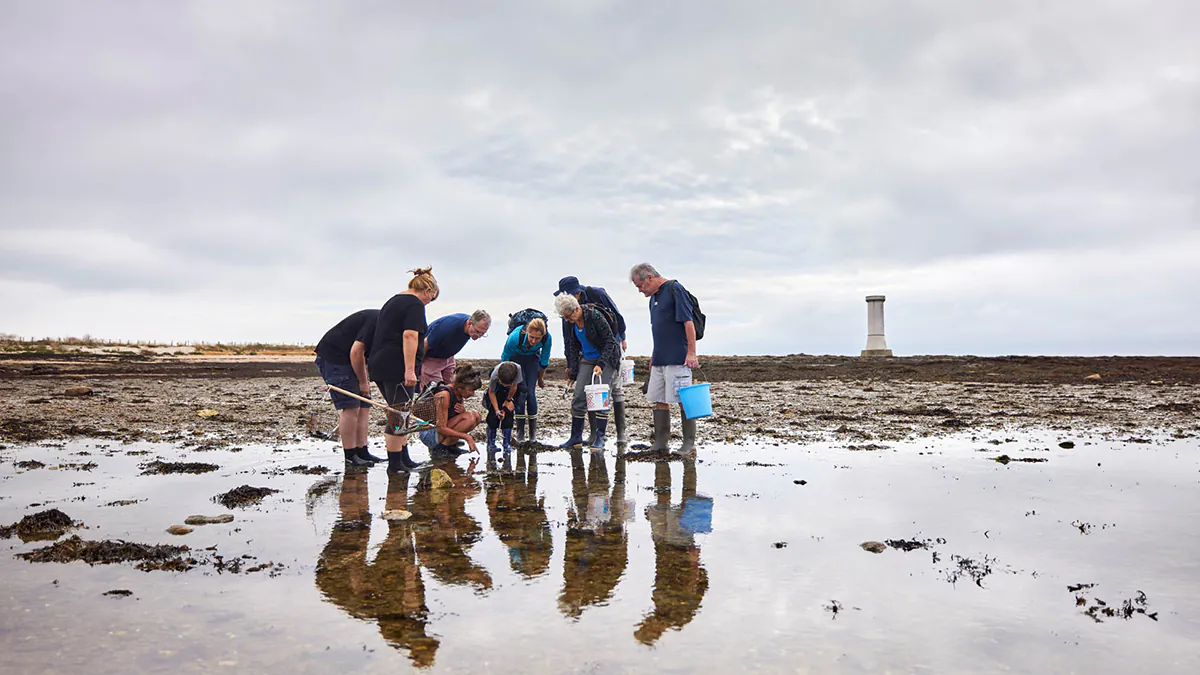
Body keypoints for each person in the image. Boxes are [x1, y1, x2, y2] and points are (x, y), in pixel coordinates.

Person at [369, 267, 439, 473]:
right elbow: (409, 336)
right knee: (398, 414)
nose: (429, 303)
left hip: (380, 363)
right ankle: (395, 465)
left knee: (401, 413)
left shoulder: (394, 300)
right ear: (427, 290)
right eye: (431, 299)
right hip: (396, 366)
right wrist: (410, 370)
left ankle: (404, 458)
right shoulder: (414, 304)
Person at [629, 263, 700, 455]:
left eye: (640, 286)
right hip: (660, 358)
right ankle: (661, 443)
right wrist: (654, 357)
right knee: (659, 398)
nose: (640, 290)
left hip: (678, 357)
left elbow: (688, 322)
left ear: (650, 277)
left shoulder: (674, 289)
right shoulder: (653, 299)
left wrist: (691, 353)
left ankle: (689, 444)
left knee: (682, 399)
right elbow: (658, 330)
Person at [554, 276, 630, 444]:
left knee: (602, 395)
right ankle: (576, 437)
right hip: (587, 359)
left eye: (568, 317)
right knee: (579, 396)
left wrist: (602, 363)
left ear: (575, 308)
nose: (566, 321)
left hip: (607, 356)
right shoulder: (568, 320)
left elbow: (610, 339)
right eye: (564, 318)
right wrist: (572, 369)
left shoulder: (594, 313)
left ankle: (603, 437)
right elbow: (571, 344)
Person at [314, 308, 383, 466]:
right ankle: (350, 455)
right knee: (351, 407)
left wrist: (365, 379)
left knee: (364, 405)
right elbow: (356, 353)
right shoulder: (376, 320)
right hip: (335, 359)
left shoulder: (388, 328)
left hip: (352, 360)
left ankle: (362, 451)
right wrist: (363, 382)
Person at [500, 317, 551, 444]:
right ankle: (520, 434)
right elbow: (505, 358)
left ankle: (533, 435)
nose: (534, 341)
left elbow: (544, 361)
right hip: (515, 359)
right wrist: (505, 379)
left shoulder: (547, 338)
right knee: (522, 391)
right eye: (531, 337)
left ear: (542, 336)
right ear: (527, 332)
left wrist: (540, 379)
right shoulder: (515, 337)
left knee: (531, 393)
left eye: (537, 338)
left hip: (532, 359)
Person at [414, 364, 483, 457]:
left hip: (440, 431)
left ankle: (450, 445)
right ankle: (441, 449)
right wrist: (467, 437)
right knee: (469, 418)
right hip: (430, 433)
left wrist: (463, 411)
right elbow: (440, 428)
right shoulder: (444, 395)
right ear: (460, 387)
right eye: (471, 390)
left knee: (476, 416)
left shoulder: (459, 394)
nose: (473, 394)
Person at [421, 310, 490, 387]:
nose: (479, 335)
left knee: (453, 388)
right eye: (477, 331)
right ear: (470, 323)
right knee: (435, 391)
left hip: (448, 357)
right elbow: (425, 344)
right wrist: (415, 364)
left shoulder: (470, 328)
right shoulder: (447, 327)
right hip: (431, 358)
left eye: (482, 333)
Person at [482, 361, 523, 454]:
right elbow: (491, 392)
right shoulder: (494, 376)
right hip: (495, 391)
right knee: (493, 416)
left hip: (510, 391)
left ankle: (506, 444)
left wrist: (508, 400)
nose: (504, 385)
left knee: (508, 414)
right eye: (503, 383)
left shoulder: (518, 370)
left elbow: (514, 387)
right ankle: (490, 444)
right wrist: (497, 410)